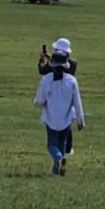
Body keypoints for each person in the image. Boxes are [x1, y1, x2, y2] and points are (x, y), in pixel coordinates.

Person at [35, 47, 85, 176]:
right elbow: (77, 102)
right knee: (62, 143)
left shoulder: (46, 79)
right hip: (66, 119)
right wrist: (80, 120)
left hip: (51, 118)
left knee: (52, 144)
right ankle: (57, 169)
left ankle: (58, 158)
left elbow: (40, 101)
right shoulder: (72, 80)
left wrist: (38, 103)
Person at [39, 39, 78, 157]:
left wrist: (42, 59)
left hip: (54, 95)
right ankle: (67, 149)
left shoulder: (52, 64)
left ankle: (57, 152)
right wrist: (51, 57)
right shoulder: (73, 62)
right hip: (67, 96)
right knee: (67, 123)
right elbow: (62, 63)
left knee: (53, 125)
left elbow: (42, 70)